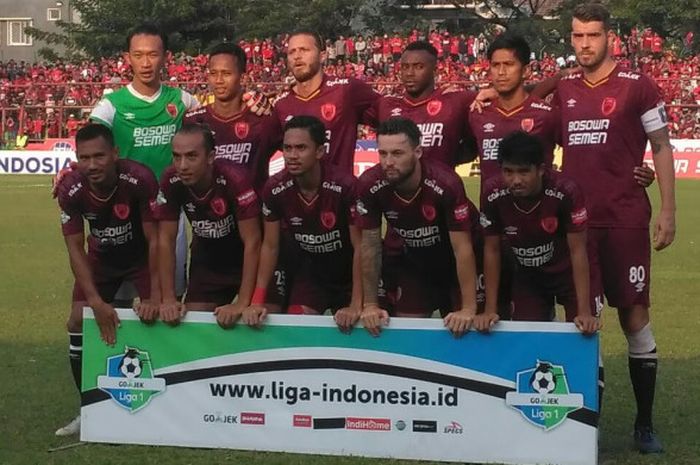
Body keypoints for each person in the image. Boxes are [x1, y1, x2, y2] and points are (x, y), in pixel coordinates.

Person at [554, 3, 676, 453]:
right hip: (577, 227)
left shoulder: (637, 88)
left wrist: (668, 211)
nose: (584, 44)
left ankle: (644, 426)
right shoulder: (562, 89)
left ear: (610, 38)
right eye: (577, 36)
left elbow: (661, 147)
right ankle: (585, 428)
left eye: (593, 35)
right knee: (583, 323)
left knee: (634, 317)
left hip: (625, 219)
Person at [55, 124, 159, 436]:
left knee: (160, 318)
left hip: (141, 259)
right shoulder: (70, 188)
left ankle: (161, 409)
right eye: (84, 157)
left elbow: (156, 241)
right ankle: (87, 409)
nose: (92, 164)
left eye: (99, 155)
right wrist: (96, 303)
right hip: (101, 262)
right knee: (77, 321)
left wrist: (154, 294)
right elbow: (75, 248)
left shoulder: (139, 178)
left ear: (114, 153)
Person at [356, 118, 479, 336]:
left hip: (457, 261)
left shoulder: (445, 184)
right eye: (383, 154)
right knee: (408, 328)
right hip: (417, 262)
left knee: (467, 331)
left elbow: (462, 249)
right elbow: (370, 245)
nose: (388, 162)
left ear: (418, 152)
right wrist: (370, 305)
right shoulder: (369, 184)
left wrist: (468, 308)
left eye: (397, 153)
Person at [244, 116, 362, 331]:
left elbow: (360, 247)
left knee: (360, 329)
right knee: (297, 327)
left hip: (349, 277)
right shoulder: (275, 188)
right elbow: (270, 246)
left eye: (300, 148)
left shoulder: (346, 186)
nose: (292, 155)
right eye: (287, 148)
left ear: (319, 151)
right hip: (311, 276)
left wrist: (356, 304)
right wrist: (257, 301)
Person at [476, 131, 598, 334]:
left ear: (540, 169)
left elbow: (578, 250)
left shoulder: (566, 190)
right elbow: (492, 249)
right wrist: (490, 309)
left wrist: (584, 311)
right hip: (528, 275)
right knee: (528, 335)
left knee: (583, 333)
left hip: (568, 273)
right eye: (508, 172)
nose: (515, 180)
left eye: (523, 172)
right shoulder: (492, 193)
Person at [155, 124, 261, 327]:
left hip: (245, 262)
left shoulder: (235, 178)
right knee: (195, 325)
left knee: (259, 320)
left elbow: (253, 241)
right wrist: (168, 298)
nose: (182, 165)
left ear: (211, 157)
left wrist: (243, 302)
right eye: (177, 156)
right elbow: (165, 240)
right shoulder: (171, 180)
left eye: (191, 156)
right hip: (208, 264)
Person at [272, 30, 380, 175]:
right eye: (291, 52)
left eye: (304, 50)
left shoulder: (346, 90)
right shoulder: (281, 106)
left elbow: (390, 115)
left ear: (322, 56)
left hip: (340, 194)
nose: (297, 56)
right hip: (297, 195)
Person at [183, 42, 280, 192]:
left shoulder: (262, 118)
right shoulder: (193, 121)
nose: (219, 80)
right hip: (209, 213)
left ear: (242, 78)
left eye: (226, 73)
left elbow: (294, 156)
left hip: (254, 212)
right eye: (213, 73)